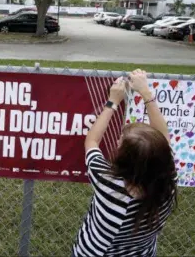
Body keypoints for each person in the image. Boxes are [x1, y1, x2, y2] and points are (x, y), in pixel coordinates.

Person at [72, 69, 177, 257]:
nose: (118, 141)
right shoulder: (166, 185)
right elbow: (164, 140)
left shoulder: (108, 184)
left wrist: (112, 102)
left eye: (121, 141)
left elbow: (92, 141)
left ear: (124, 159)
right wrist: (146, 93)